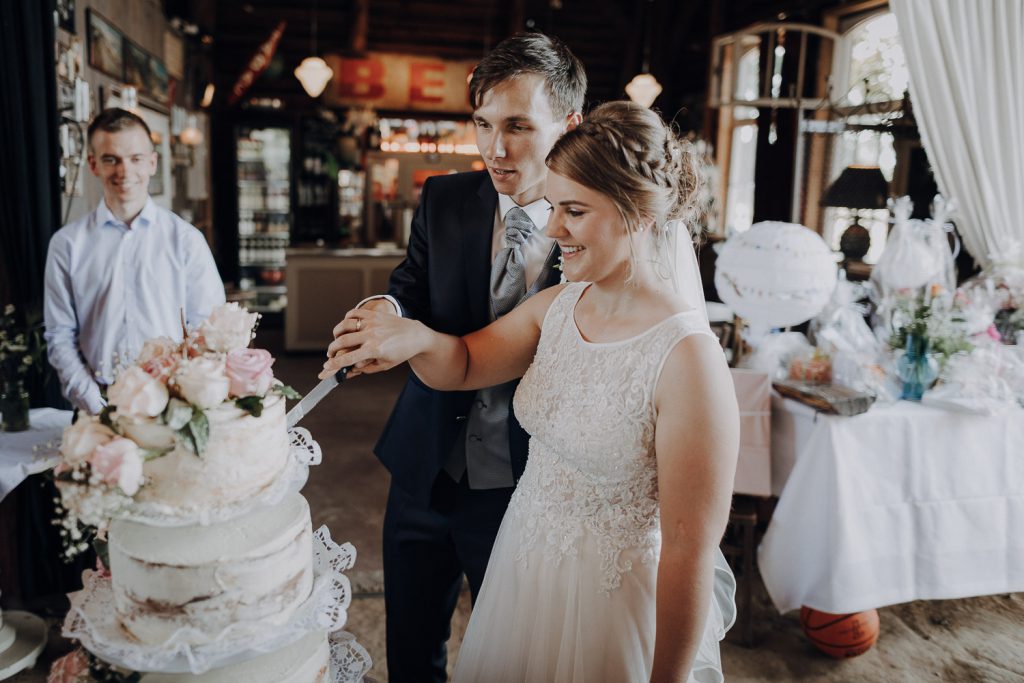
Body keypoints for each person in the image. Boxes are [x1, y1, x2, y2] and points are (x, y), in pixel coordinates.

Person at [323, 101, 739, 682]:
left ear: (638, 214)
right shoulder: (558, 307)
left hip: (611, 605)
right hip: (525, 574)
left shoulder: (688, 359)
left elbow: (688, 555)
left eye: (573, 210)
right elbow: (465, 361)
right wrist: (411, 339)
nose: (551, 228)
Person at [329, 33, 586, 682]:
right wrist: (382, 316)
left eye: (520, 126)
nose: (496, 149)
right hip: (423, 466)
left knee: (513, 659)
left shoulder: (593, 229)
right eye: (483, 124)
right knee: (411, 653)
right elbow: (407, 289)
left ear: (571, 124)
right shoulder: (443, 200)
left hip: (529, 486)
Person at [44, 108, 224, 414]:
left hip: (173, 402)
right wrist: (91, 398)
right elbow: (60, 334)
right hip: (97, 403)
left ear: (152, 163)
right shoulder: (67, 245)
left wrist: (187, 392)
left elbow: (208, 327)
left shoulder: (186, 240)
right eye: (111, 159)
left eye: (136, 158)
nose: (124, 171)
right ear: (93, 164)